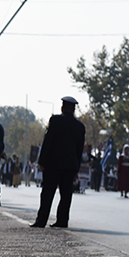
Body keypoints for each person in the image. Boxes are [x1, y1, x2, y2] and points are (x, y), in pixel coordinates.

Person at [31, 96, 86, 228]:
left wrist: (41, 161)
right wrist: (76, 166)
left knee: (47, 193)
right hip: (70, 165)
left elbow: (48, 141)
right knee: (66, 194)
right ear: (73, 109)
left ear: (62, 107)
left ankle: (41, 220)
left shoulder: (55, 120)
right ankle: (62, 220)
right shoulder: (80, 126)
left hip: (53, 164)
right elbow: (79, 149)